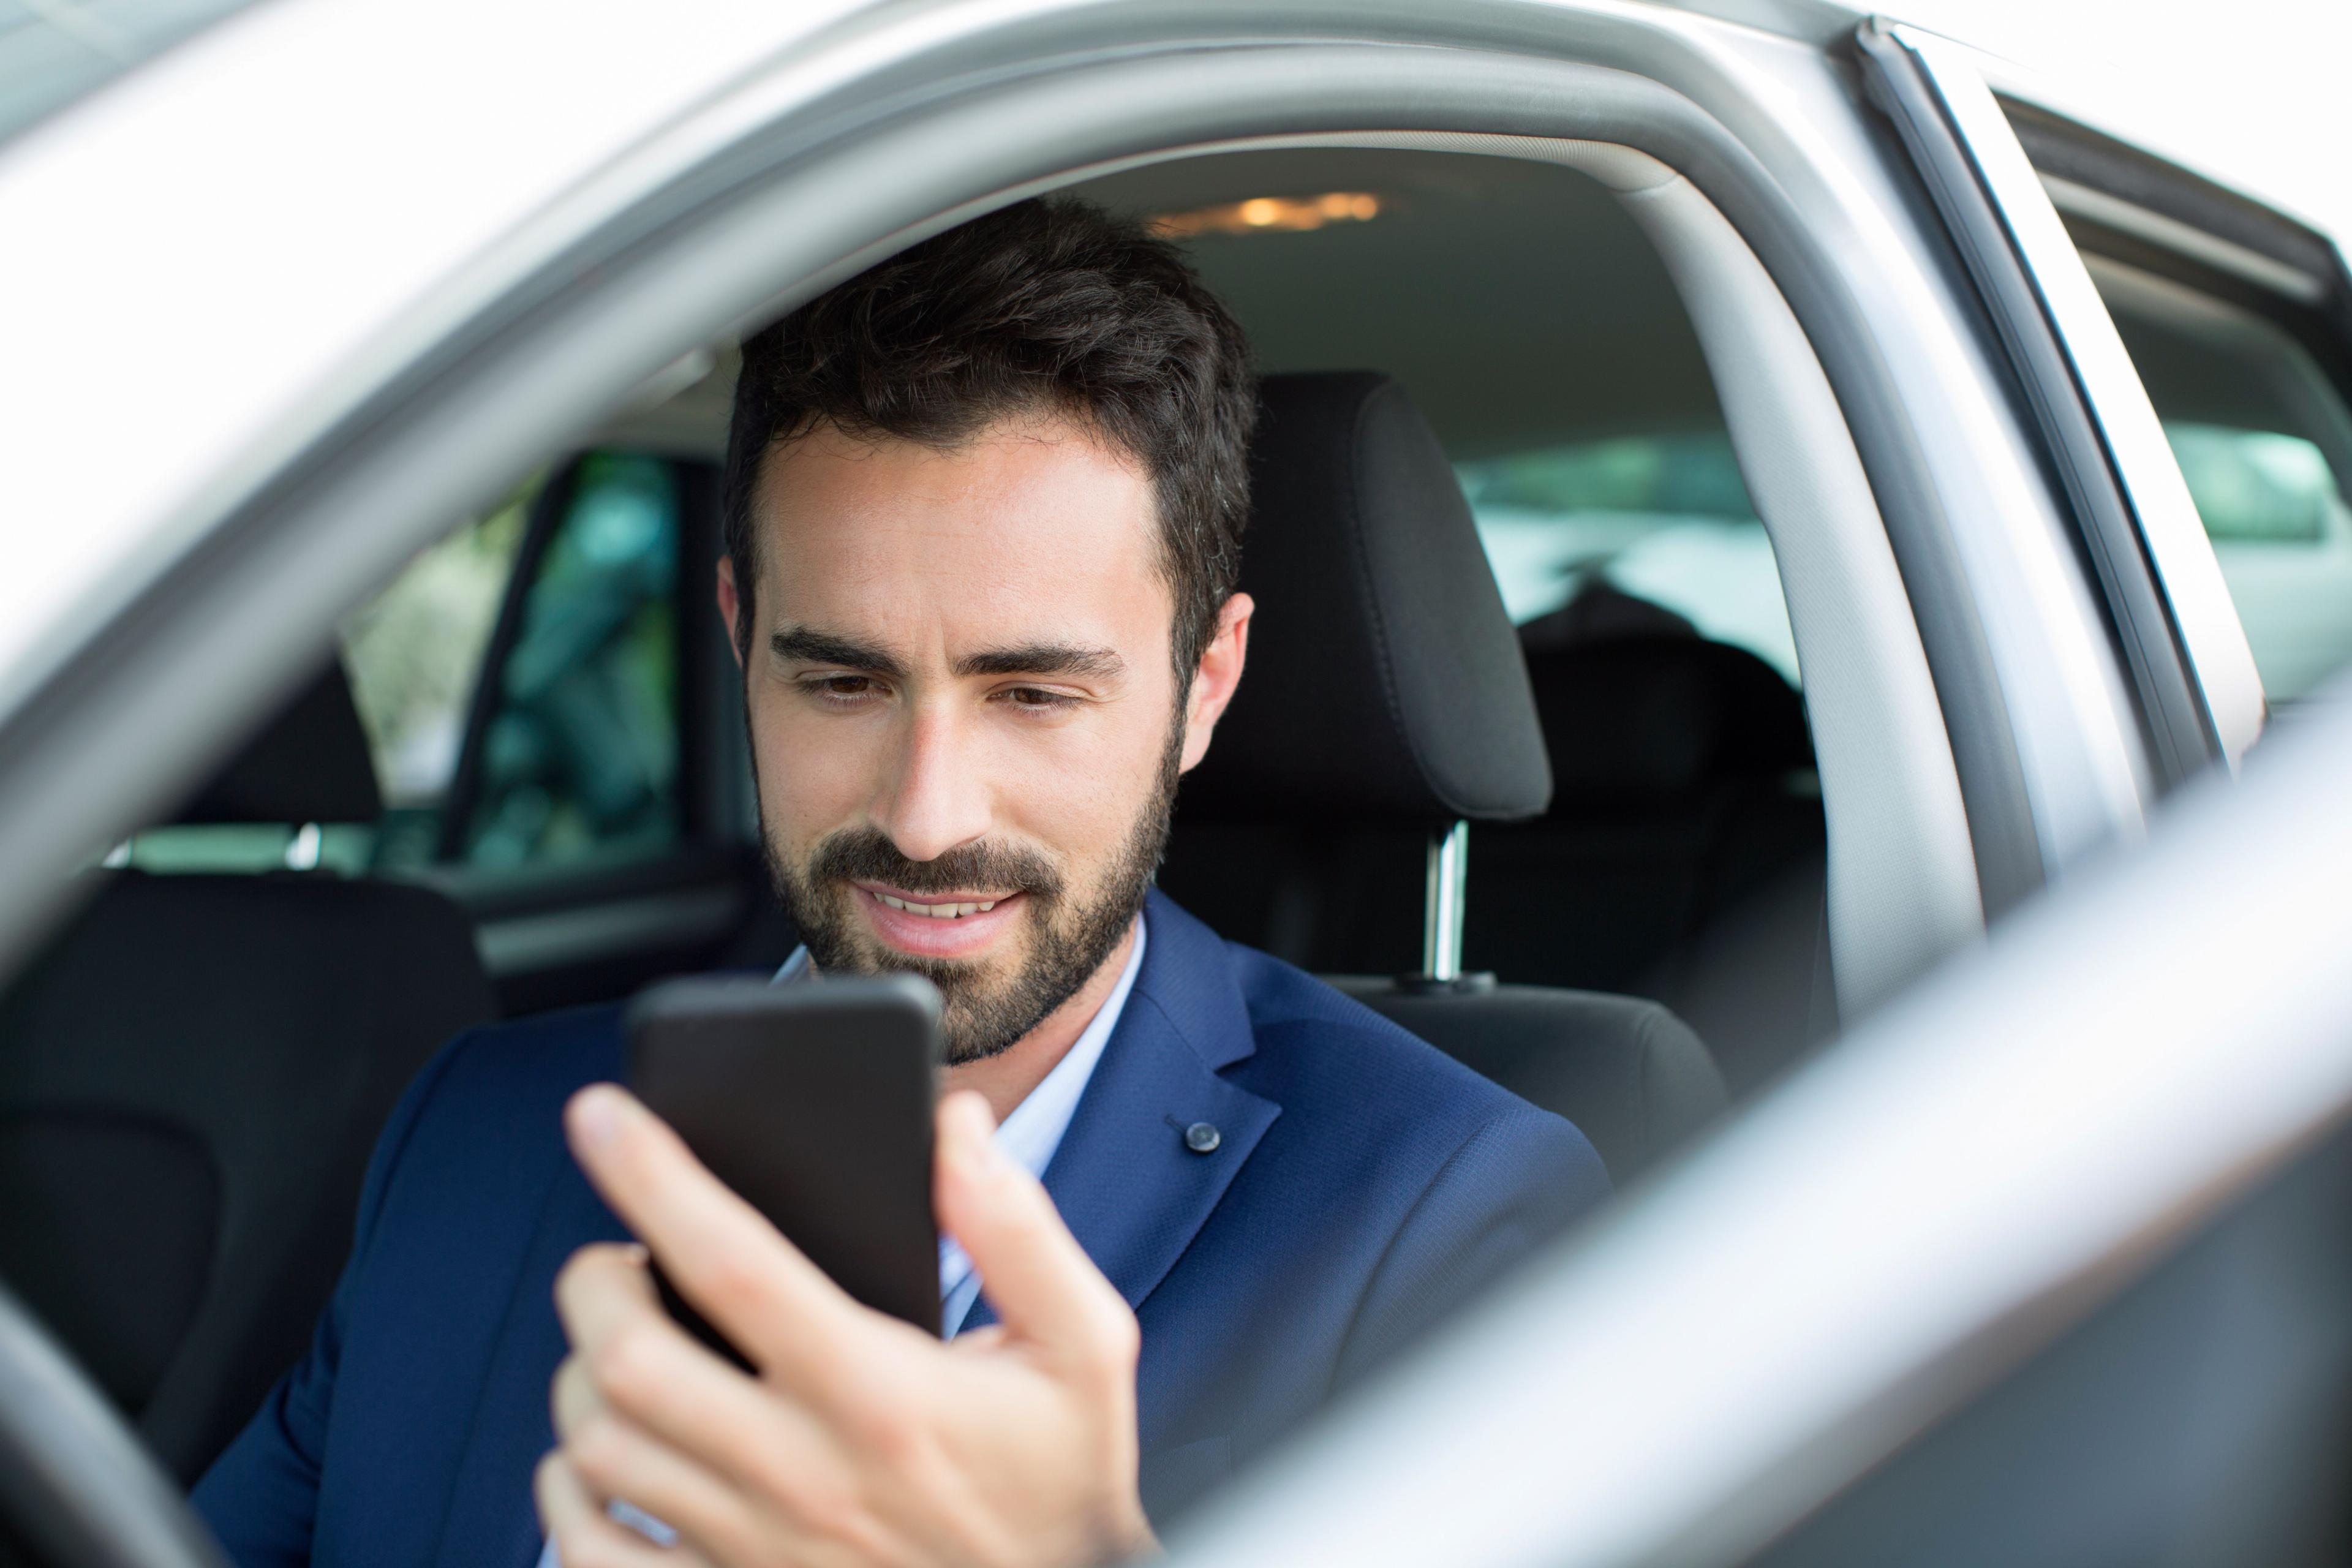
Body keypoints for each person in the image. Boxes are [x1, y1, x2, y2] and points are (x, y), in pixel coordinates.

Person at [192, 197, 1609, 1568]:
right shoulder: (482, 1131)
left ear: (1204, 684)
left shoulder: (1443, 1214)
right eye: (844, 680)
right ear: (741, 635)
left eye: (1035, 693)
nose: (927, 820)